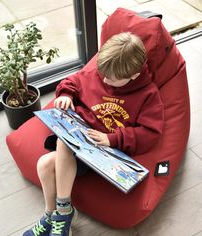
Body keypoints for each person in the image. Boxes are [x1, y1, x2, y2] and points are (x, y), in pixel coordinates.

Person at [23, 32, 164, 236]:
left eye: (113, 79)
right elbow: (71, 81)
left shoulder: (148, 95)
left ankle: (63, 212)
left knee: (64, 143)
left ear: (134, 75)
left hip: (103, 156)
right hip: (79, 145)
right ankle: (52, 215)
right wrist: (65, 95)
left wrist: (111, 139)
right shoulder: (98, 74)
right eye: (102, 73)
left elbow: (150, 133)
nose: (105, 80)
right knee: (43, 164)